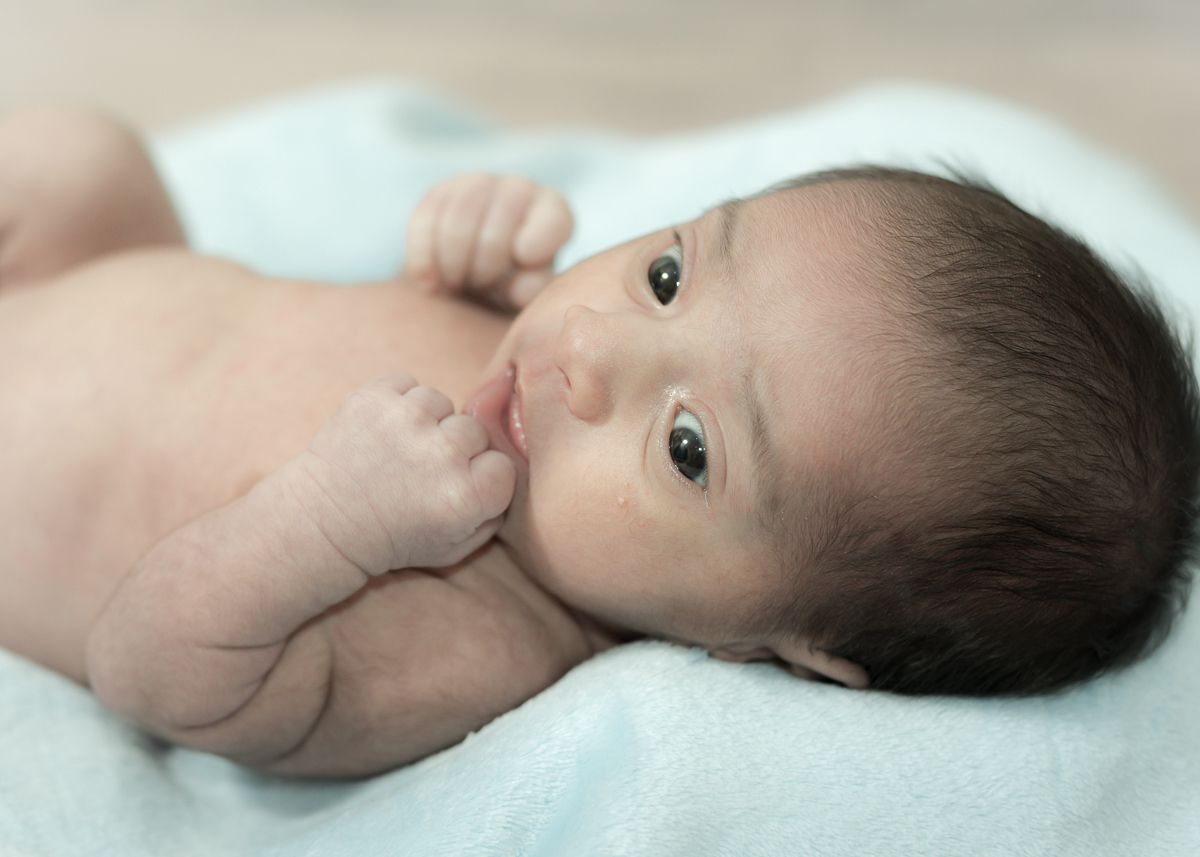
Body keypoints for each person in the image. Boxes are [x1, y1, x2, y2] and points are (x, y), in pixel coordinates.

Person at [0, 105, 1195, 778]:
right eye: (668, 273)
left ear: (782, 642)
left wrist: (320, 524)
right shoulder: (532, 371)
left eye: (687, 449)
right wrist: (465, 269)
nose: (588, 353)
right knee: (83, 152)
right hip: (92, 275)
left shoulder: (473, 640)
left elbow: (148, 673)